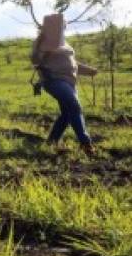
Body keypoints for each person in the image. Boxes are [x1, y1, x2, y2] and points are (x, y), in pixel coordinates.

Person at [32, 12, 98, 155]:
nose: (64, 27)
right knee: (75, 106)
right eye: (61, 25)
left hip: (70, 82)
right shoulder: (42, 42)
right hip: (53, 80)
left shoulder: (64, 43)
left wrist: (90, 71)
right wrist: (40, 49)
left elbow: (72, 64)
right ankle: (86, 143)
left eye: (64, 25)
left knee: (67, 114)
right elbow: (34, 60)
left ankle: (51, 141)